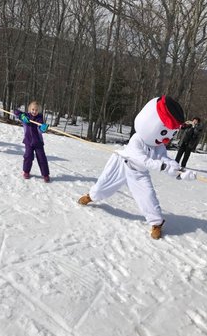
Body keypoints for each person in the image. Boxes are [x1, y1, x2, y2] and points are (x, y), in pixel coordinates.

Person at [78, 95, 197, 240]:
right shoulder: (136, 140)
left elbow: (164, 158)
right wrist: (164, 167)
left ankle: (156, 224)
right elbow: (144, 160)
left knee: (148, 196)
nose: (166, 138)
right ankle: (91, 196)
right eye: (164, 132)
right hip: (121, 164)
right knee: (103, 185)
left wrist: (179, 171)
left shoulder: (158, 145)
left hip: (138, 173)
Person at [16, 101, 50, 182]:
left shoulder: (39, 118)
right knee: (28, 156)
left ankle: (45, 174)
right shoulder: (26, 116)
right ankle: (26, 171)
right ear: (29, 109)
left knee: (42, 158)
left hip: (38, 142)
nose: (34, 111)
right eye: (33, 109)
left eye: (36, 110)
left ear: (39, 111)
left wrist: (42, 128)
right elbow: (15, 112)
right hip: (28, 141)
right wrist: (22, 116)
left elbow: (39, 129)